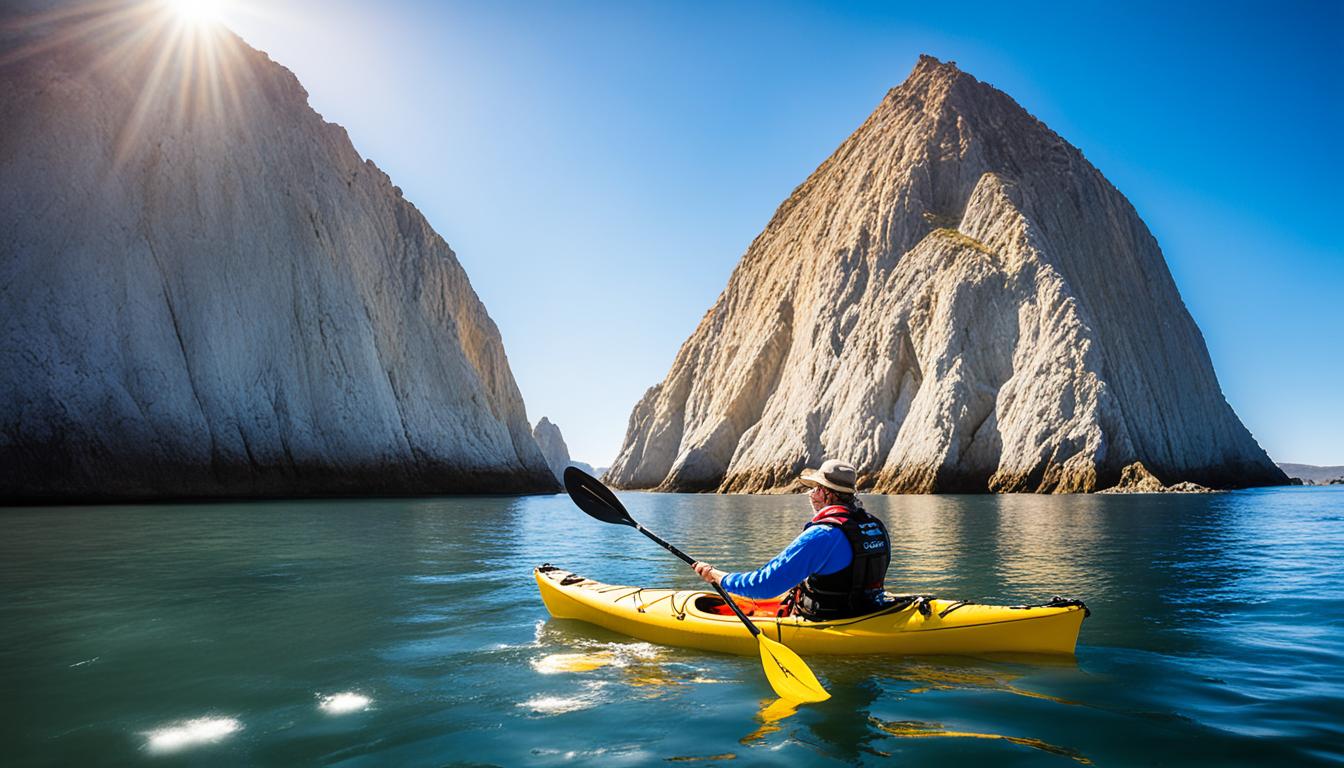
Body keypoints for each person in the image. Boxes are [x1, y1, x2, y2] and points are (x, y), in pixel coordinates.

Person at [692, 459, 891, 620]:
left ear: (825, 493)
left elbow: (766, 584)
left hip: (829, 620)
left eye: (814, 489)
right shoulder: (876, 526)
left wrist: (718, 577)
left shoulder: (822, 535)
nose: (811, 494)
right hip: (867, 611)